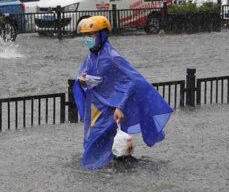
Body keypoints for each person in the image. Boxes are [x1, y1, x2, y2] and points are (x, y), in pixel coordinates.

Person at [73, 16, 173, 169]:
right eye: (86, 35)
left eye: (91, 35)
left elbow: (133, 80)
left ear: (101, 35)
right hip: (97, 109)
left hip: (111, 110)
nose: (88, 39)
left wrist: (121, 106)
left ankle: (97, 176)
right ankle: (114, 170)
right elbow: (87, 75)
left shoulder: (112, 56)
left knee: (94, 149)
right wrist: (82, 80)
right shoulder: (91, 56)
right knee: (98, 146)